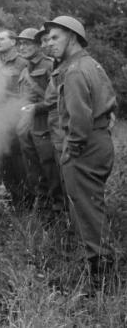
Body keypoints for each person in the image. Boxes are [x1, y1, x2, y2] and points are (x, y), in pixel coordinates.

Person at [44, 16, 117, 279]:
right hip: (99, 141)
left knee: (87, 209)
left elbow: (79, 118)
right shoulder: (91, 63)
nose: (49, 44)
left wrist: (70, 150)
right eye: (48, 39)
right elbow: (110, 101)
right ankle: (99, 263)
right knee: (91, 206)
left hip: (84, 145)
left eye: (55, 37)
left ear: (72, 37)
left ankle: (101, 278)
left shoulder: (74, 70)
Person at [16, 28, 59, 210]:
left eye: (27, 43)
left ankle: (58, 212)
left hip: (45, 126)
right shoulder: (25, 69)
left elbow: (57, 98)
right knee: (34, 171)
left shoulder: (49, 66)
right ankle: (43, 211)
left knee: (50, 170)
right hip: (29, 128)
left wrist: (36, 108)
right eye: (21, 43)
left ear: (38, 45)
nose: (23, 47)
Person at [0, 29, 29, 207]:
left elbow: (26, 92)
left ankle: (23, 204)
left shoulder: (22, 63)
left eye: (2, 38)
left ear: (13, 42)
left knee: (17, 163)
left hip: (14, 118)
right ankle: (3, 202)